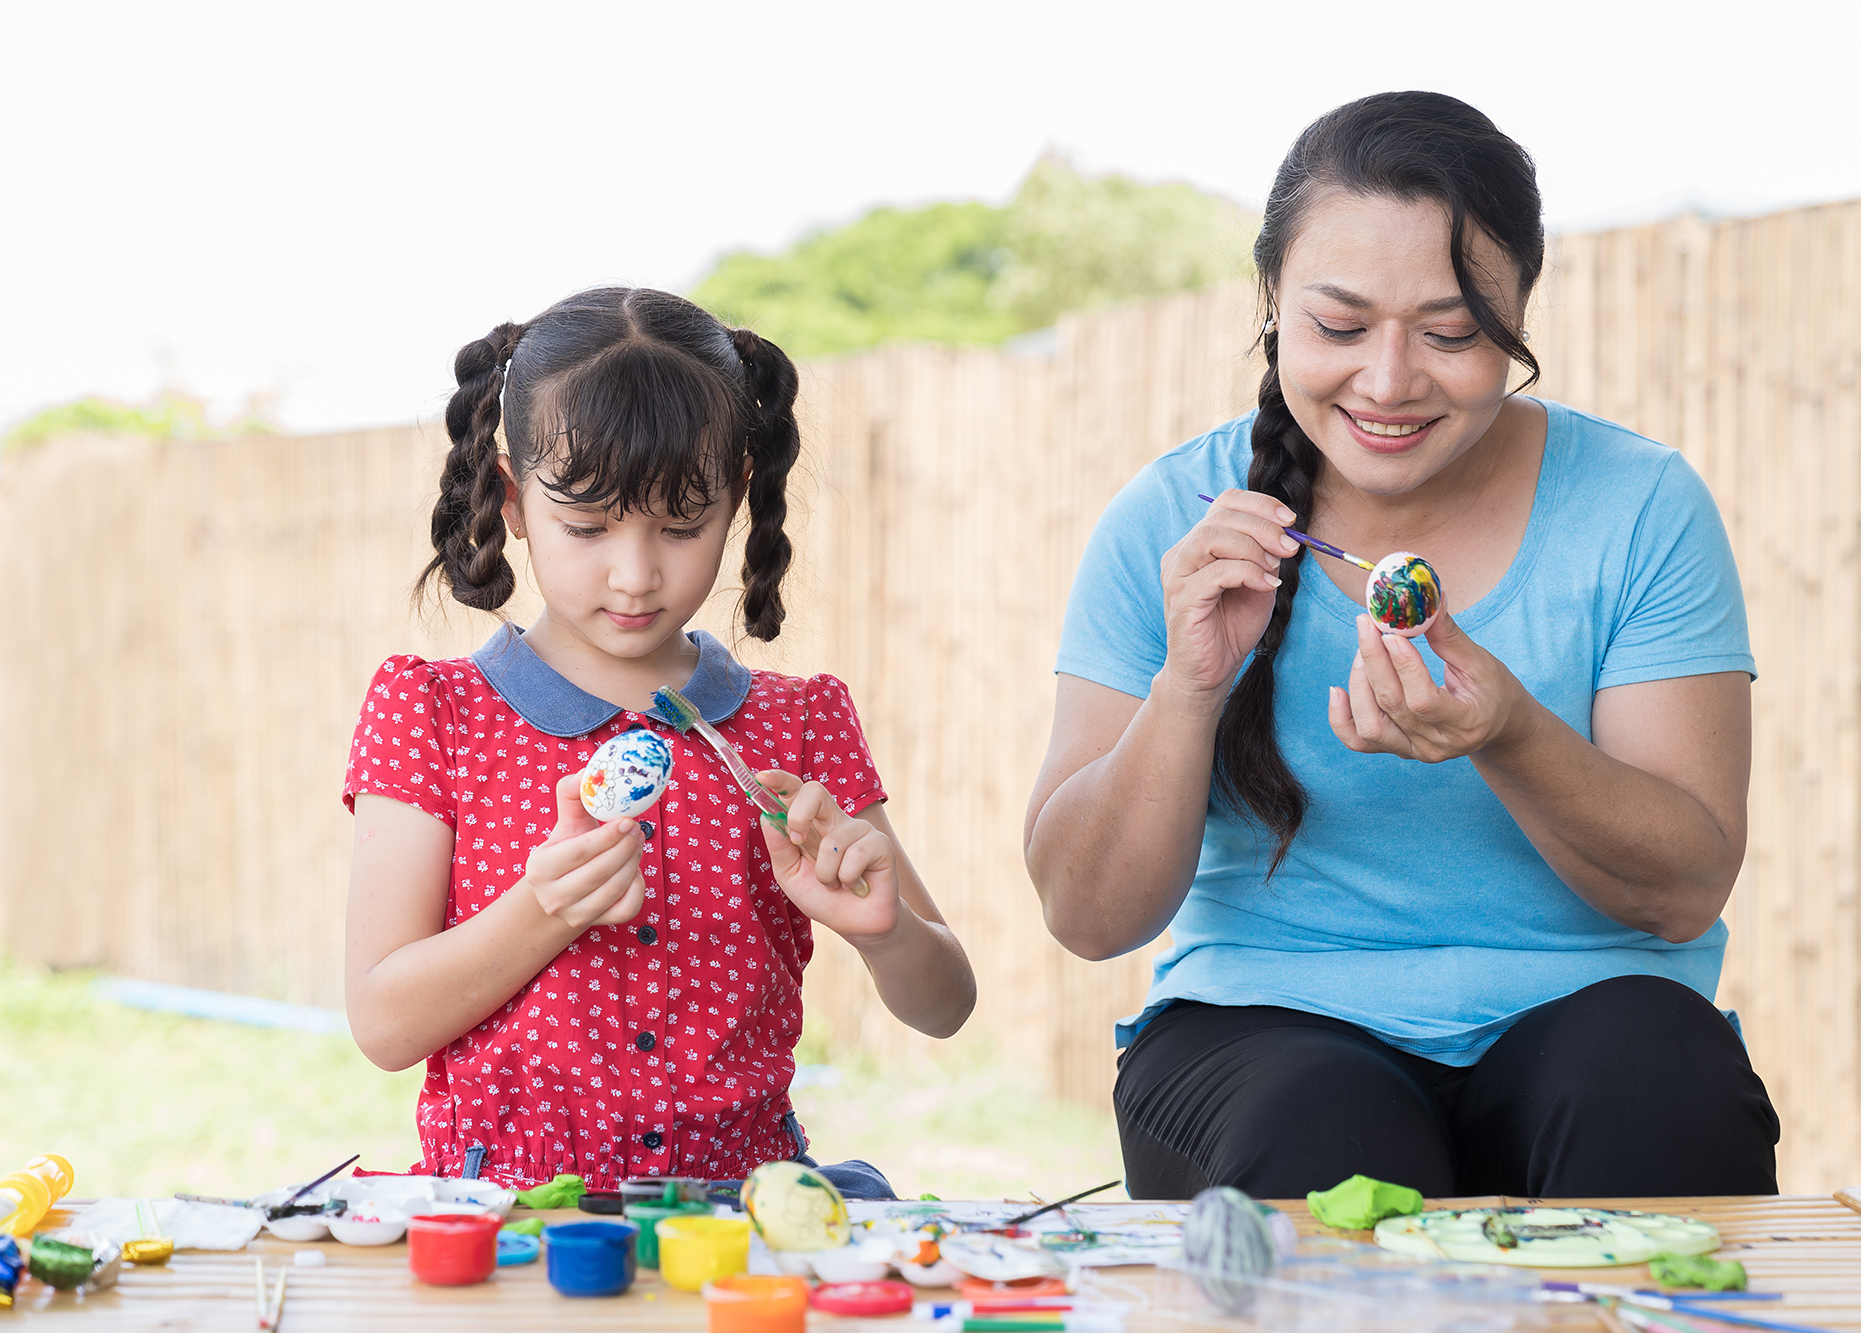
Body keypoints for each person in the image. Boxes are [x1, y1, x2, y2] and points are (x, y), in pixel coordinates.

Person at [1025, 93, 1779, 1200]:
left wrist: (1510, 733)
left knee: (1650, 1083)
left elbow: (1680, 889)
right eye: (1338, 328)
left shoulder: (1638, 505)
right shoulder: (1172, 517)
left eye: (1450, 333)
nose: (1387, 383)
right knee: (1324, 1129)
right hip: (1257, 1029)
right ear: (1272, 304)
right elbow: (1087, 917)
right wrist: (1187, 687)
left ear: (1518, 312)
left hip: (1593, 1014)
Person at [343, 288, 975, 1196]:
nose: (636, 575)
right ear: (515, 501)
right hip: (515, 1228)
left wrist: (885, 932)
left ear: (739, 496)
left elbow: (946, 1002)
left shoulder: (798, 724)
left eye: (683, 526)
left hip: (744, 1226)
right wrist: (543, 910)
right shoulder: (434, 712)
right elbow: (383, 1024)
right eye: (588, 527)